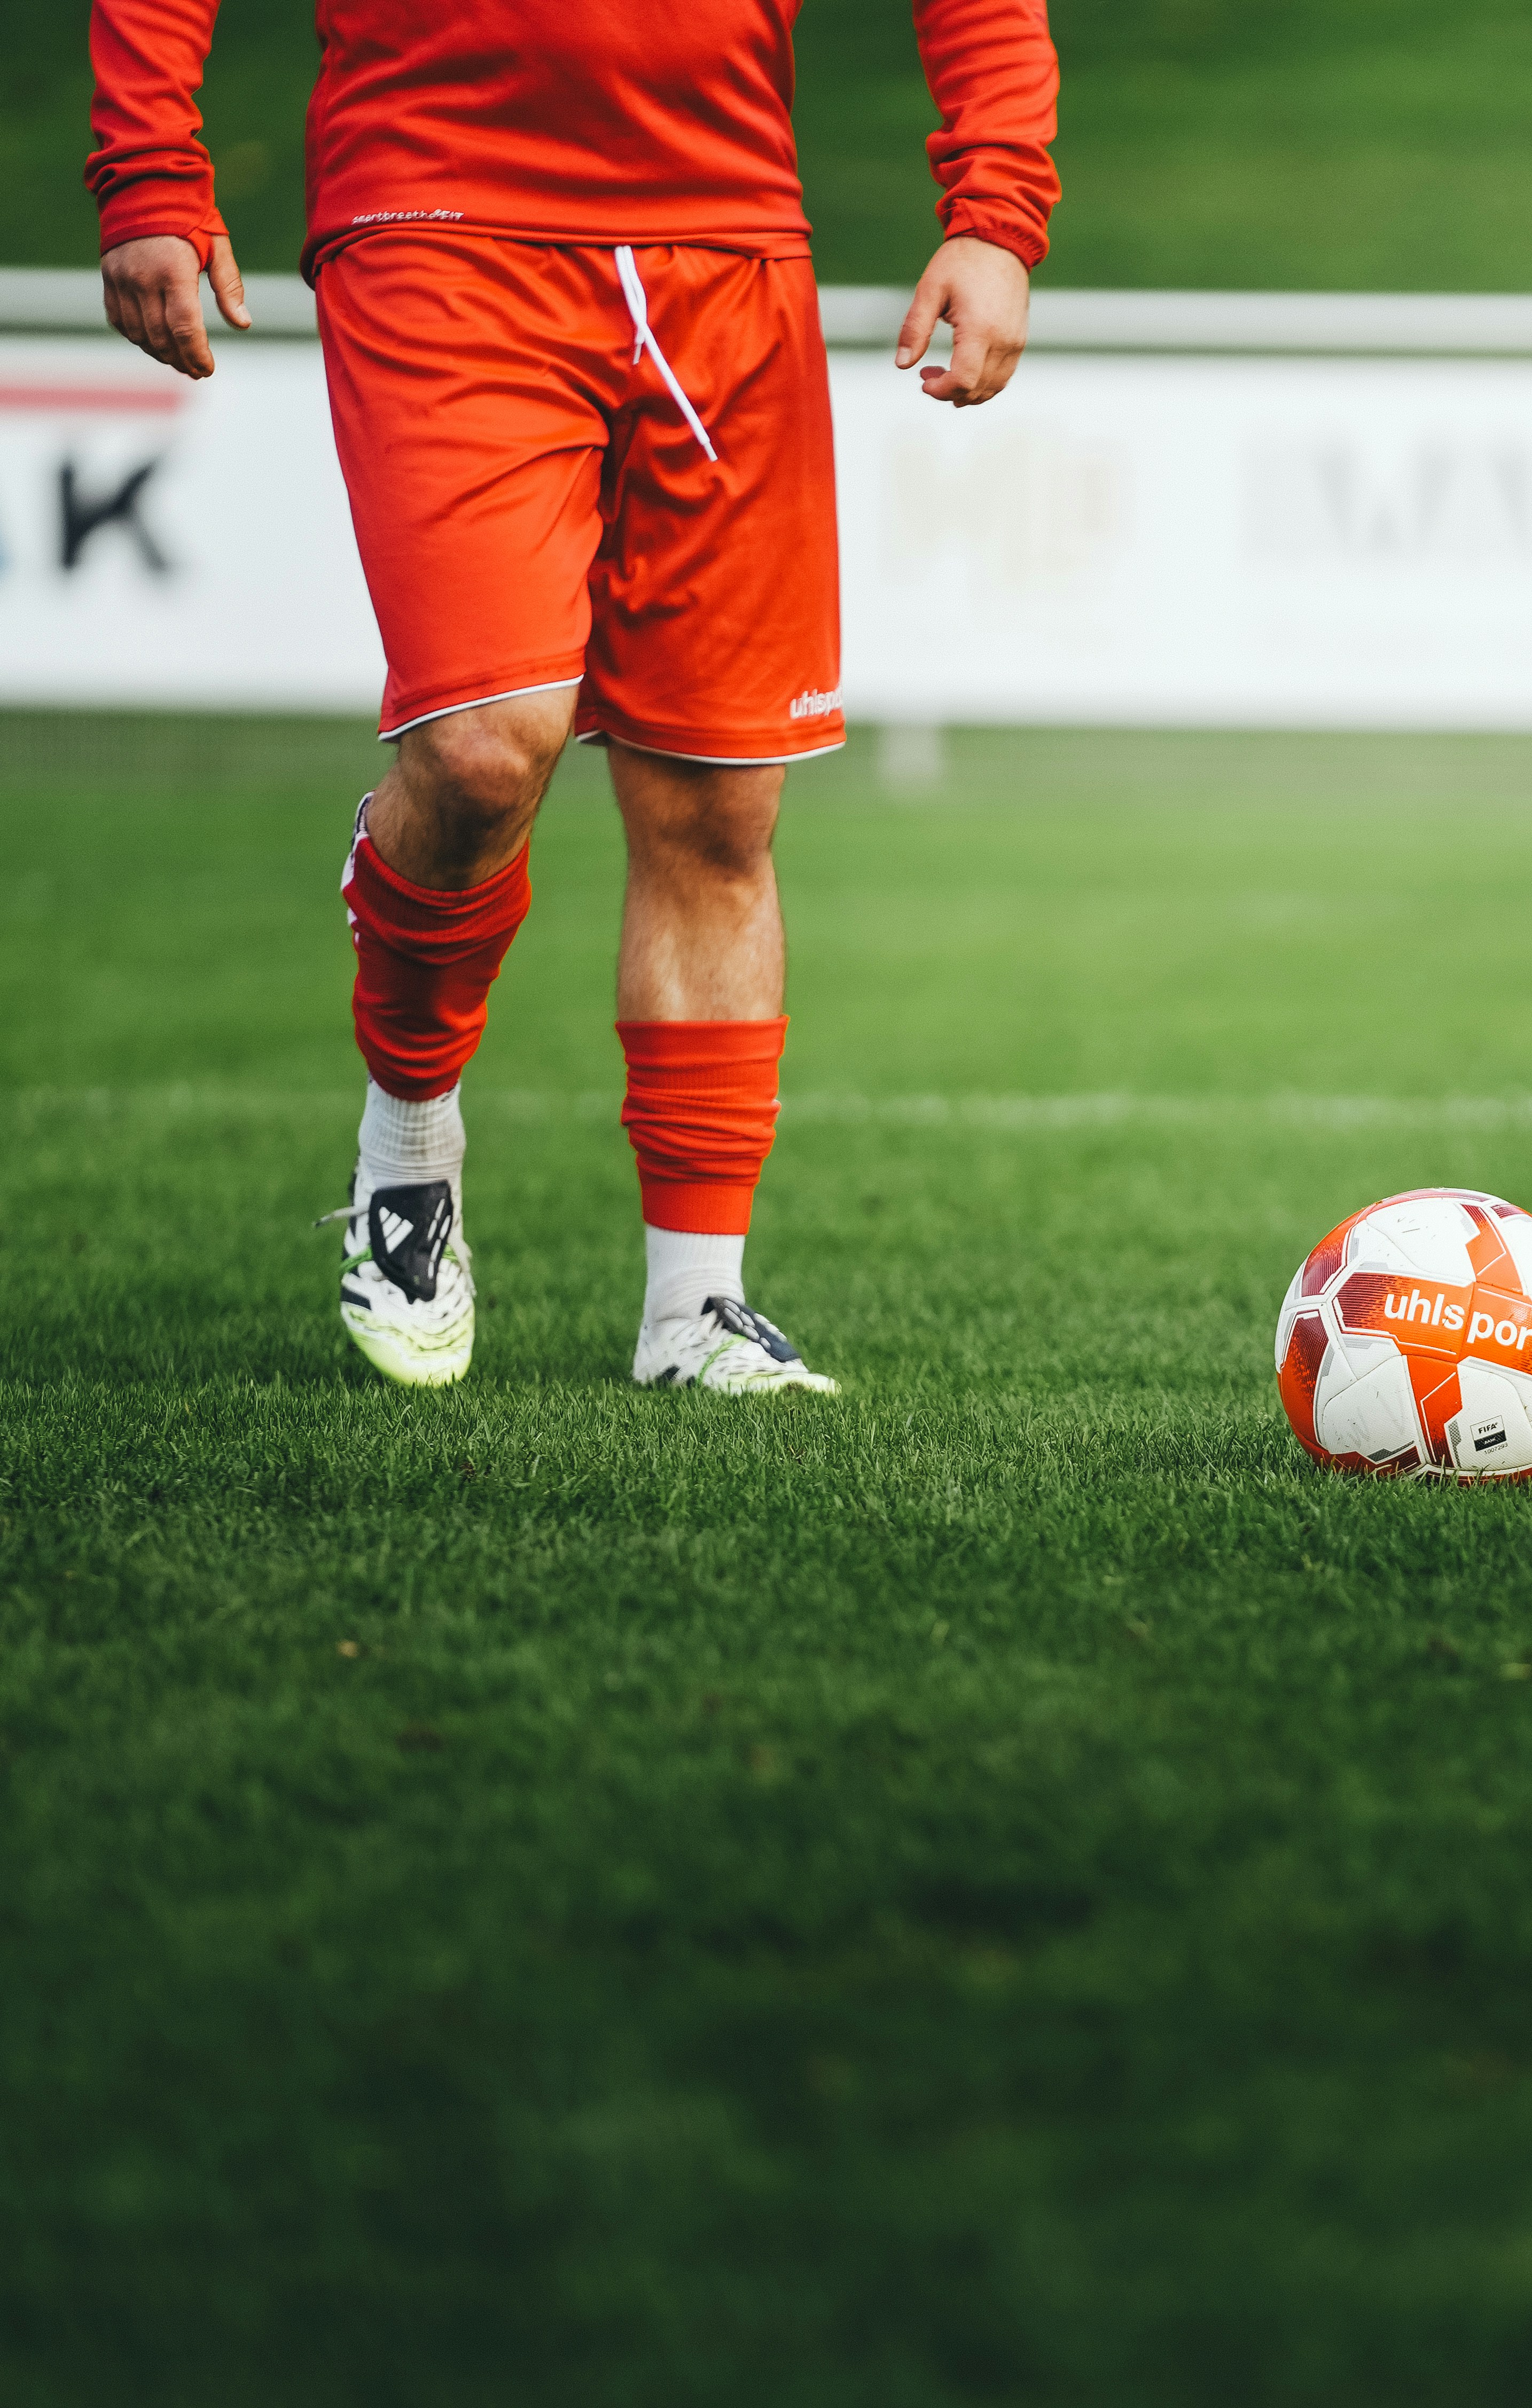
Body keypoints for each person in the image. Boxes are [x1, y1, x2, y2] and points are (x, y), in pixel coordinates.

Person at [87, 0, 1060, 1392]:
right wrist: (149, 170)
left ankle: (695, 1308)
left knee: (719, 806)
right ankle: (408, 1151)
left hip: (726, 242)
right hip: (437, 213)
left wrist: (997, 213)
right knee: (483, 752)